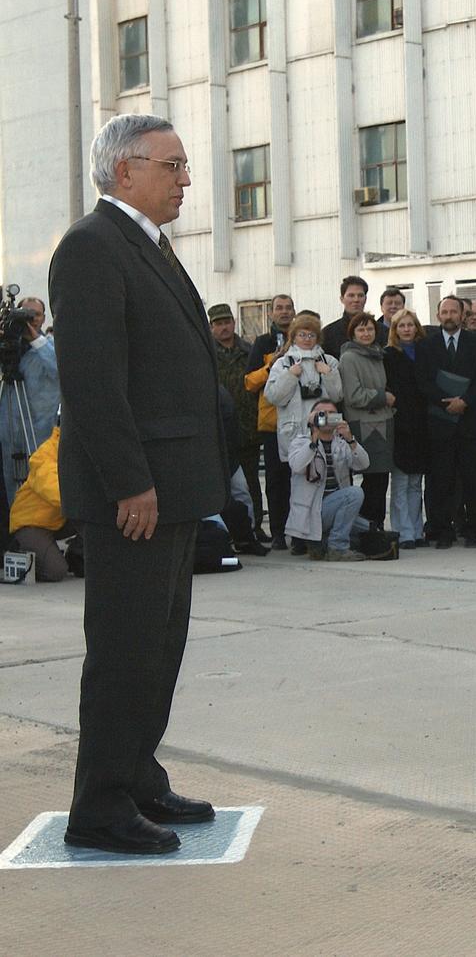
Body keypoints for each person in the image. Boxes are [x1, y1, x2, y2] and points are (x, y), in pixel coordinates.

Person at [49, 112, 227, 854]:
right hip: (136, 495)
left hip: (172, 485)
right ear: (124, 170)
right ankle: (100, 805)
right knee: (125, 650)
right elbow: (92, 383)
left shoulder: (147, 245)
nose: (185, 179)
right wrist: (129, 483)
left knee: (160, 646)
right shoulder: (92, 249)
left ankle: (137, 776)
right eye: (172, 165)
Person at [415, 295, 476, 548]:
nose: (449, 316)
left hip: (470, 421)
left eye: (453, 312)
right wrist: (447, 403)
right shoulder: (427, 345)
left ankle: (472, 531)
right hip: (440, 423)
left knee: (473, 480)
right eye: (444, 312)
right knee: (441, 481)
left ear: (462, 316)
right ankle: (443, 531)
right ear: (438, 316)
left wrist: (465, 402)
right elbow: (423, 381)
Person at [285, 399, 368, 561]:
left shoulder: (342, 443)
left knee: (368, 529)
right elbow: (297, 465)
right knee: (355, 493)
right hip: (313, 510)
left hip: (336, 508)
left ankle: (322, 543)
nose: (328, 417)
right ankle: (337, 547)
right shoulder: (301, 441)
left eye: (332, 414)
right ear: (312, 417)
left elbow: (364, 464)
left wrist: (350, 439)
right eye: (323, 414)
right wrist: (313, 438)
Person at [208, 303, 264, 538]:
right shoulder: (207, 354)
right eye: (219, 324)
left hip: (248, 425)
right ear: (211, 327)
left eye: (227, 322)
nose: (224, 328)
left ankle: (255, 527)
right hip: (220, 429)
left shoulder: (249, 350)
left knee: (252, 482)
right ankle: (227, 530)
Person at [246, 295, 296, 547]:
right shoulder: (262, 342)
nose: (284, 312)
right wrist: (271, 365)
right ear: (271, 314)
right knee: (276, 480)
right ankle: (278, 532)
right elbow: (250, 382)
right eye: (279, 308)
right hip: (273, 423)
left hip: (300, 422)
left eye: (288, 308)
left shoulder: (304, 340)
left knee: (301, 477)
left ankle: (300, 532)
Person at [0, 295, 60, 508]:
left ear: (44, 319)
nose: (30, 319)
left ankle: (36, 531)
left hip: (38, 434)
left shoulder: (50, 346)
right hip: (9, 435)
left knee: (38, 487)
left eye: (35, 315)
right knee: (11, 490)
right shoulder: (9, 349)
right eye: (24, 314)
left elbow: (59, 370)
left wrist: (34, 338)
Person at [338, 312, 395, 531]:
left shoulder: (378, 354)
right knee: (370, 481)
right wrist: (383, 397)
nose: (366, 333)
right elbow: (353, 395)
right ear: (353, 333)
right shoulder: (349, 357)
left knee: (380, 481)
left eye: (369, 329)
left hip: (384, 422)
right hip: (363, 424)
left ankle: (377, 527)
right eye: (361, 329)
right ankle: (365, 527)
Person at [265, 315, 343, 467]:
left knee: (329, 473)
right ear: (293, 337)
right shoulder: (283, 364)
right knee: (299, 481)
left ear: (318, 338)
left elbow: (338, 396)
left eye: (311, 335)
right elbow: (273, 397)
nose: (307, 339)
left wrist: (328, 374)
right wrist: (290, 376)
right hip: (294, 431)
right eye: (302, 334)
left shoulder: (329, 362)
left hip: (326, 428)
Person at [7, 422, 74, 582]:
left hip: (58, 520)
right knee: (56, 572)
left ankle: (77, 556)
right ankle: (21, 548)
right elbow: (52, 489)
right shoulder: (44, 454)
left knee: (95, 517)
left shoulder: (79, 451)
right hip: (31, 524)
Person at [385, 309, 429, 548]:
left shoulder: (424, 352)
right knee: (401, 482)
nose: (406, 329)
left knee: (415, 482)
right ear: (395, 330)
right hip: (401, 422)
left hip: (422, 423)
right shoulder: (389, 355)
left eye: (410, 325)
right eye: (401, 326)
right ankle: (403, 532)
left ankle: (417, 529)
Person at [321, 275, 369, 358]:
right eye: (351, 295)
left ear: (366, 299)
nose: (356, 300)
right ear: (342, 299)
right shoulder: (328, 334)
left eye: (360, 295)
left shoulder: (380, 331)